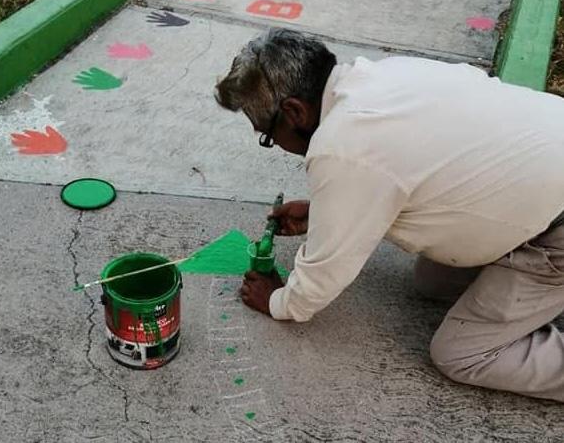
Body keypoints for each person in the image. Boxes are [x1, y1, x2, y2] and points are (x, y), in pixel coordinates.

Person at [214, 28, 564, 402]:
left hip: (555, 226)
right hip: (544, 175)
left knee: (459, 353)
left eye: (268, 135)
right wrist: (325, 213)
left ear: (294, 112)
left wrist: (275, 300)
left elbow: (315, 286)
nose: (275, 145)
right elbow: (402, 169)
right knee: (434, 281)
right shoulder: (382, 75)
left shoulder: (344, 145)